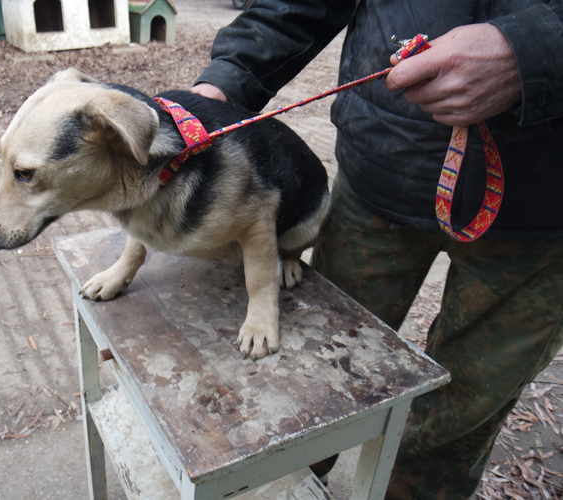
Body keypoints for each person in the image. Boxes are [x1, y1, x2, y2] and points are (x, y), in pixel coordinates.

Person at [190, 1, 563, 498]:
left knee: (462, 410)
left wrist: (535, 51)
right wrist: (220, 87)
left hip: (544, 214)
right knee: (322, 374)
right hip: (380, 173)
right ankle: (294, 483)